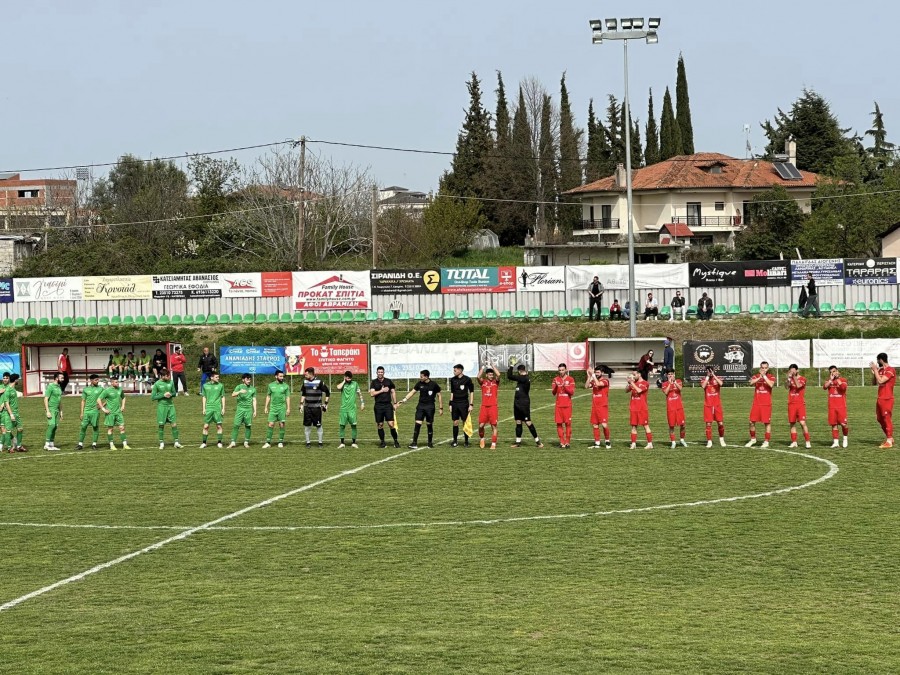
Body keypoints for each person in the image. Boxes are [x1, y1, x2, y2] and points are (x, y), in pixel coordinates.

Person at [398, 369, 442, 449]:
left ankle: (430, 443)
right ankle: (414, 443)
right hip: (421, 406)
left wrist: (441, 407)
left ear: (426, 377)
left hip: (430, 407)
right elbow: (412, 392)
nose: (420, 378)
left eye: (421, 376)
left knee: (429, 424)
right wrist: (404, 400)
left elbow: (439, 395)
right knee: (417, 424)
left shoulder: (434, 384)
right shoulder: (419, 384)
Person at [507, 360, 543, 448]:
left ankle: (538, 442)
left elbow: (509, 376)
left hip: (524, 404)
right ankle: (518, 442)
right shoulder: (522, 379)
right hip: (517, 404)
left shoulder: (524, 378)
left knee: (528, 422)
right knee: (518, 422)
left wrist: (512, 365)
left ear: (520, 371)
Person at [745, 361, 775, 448]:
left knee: (767, 423)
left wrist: (764, 376)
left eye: (766, 368)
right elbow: (751, 382)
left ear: (768, 368)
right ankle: (753, 439)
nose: (764, 369)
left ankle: (766, 441)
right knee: (751, 422)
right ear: (760, 368)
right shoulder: (756, 376)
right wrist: (760, 377)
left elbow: (771, 385)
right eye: (762, 368)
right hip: (756, 403)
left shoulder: (771, 377)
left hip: (766, 404)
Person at [151, 368, 183, 449]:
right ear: (162, 376)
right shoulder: (157, 384)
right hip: (162, 407)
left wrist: (171, 394)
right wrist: (163, 395)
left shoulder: (171, 382)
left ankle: (176, 442)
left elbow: (174, 393)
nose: (169, 377)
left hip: (171, 406)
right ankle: (161, 443)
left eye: (169, 375)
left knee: (174, 424)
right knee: (161, 425)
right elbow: (153, 397)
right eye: (167, 376)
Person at [369, 366, 399, 448]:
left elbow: (393, 392)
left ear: (383, 373)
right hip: (378, 406)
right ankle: (382, 442)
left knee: (391, 424)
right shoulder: (374, 382)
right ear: (376, 373)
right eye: (379, 372)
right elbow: (372, 394)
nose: (380, 373)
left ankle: (396, 441)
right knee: (380, 424)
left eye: (381, 372)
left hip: (387, 405)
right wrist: (381, 390)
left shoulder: (388, 381)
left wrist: (395, 403)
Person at [300, 367, 330, 448]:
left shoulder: (319, 382)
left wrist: (325, 404)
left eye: (306, 374)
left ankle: (320, 443)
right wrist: (301, 404)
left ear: (311, 374)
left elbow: (327, 393)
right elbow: (303, 394)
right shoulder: (305, 382)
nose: (305, 375)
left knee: (318, 425)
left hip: (316, 408)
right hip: (307, 408)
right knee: (307, 426)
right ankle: (308, 442)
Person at [97, 374, 129, 450]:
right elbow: (98, 399)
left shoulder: (120, 389)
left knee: (122, 428)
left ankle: (125, 445)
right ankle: (111, 445)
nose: (118, 383)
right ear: (112, 383)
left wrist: (123, 406)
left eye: (118, 382)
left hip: (118, 412)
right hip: (110, 413)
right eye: (116, 382)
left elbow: (123, 397)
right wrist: (103, 409)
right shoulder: (107, 391)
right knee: (110, 429)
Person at [871, 352, 895, 449]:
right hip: (880, 398)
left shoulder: (890, 370)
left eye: (878, 360)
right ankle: (890, 438)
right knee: (879, 419)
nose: (877, 362)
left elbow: (881, 381)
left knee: (886, 418)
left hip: (887, 398)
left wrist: (875, 370)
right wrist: (875, 372)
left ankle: (889, 440)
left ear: (881, 360)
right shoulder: (880, 370)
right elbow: (875, 382)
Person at [263, 370, 291, 448]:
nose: (282, 378)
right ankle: (268, 442)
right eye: (280, 376)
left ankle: (280, 442)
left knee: (281, 424)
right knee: (271, 424)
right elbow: (268, 396)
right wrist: (265, 407)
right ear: (276, 376)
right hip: (273, 408)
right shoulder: (270, 385)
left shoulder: (286, 386)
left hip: (282, 408)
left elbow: (287, 397)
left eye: (283, 376)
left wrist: (288, 408)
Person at [626, 366, 653, 449]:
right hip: (633, 407)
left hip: (642, 408)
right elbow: (626, 390)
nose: (633, 376)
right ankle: (633, 443)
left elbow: (639, 391)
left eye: (634, 375)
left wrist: (632, 383)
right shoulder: (634, 382)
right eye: (632, 375)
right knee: (633, 426)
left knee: (645, 425)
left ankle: (650, 444)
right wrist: (629, 383)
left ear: (639, 374)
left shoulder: (645, 383)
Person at [449, 364, 475, 447]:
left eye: (455, 370)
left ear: (460, 370)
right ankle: (455, 441)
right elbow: (452, 392)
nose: (454, 372)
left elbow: (471, 392)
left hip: (464, 403)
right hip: (455, 404)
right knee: (455, 422)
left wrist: (471, 404)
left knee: (465, 422)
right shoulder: (452, 380)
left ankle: (466, 441)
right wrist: (450, 403)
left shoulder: (467, 379)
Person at [336, 370, 364, 448]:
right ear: (345, 377)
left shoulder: (355, 384)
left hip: (352, 409)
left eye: (350, 378)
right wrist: (344, 381)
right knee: (342, 425)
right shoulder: (342, 384)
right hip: (343, 409)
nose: (349, 379)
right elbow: (338, 387)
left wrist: (362, 403)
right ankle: (342, 443)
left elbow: (359, 394)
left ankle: (354, 442)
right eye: (347, 378)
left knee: (354, 425)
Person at [75, 373, 103, 450]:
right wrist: (81, 412)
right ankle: (80, 444)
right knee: (83, 427)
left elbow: (108, 398)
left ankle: (94, 444)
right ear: (91, 380)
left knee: (95, 427)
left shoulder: (101, 389)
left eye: (98, 380)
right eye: (96, 380)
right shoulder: (86, 389)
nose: (97, 381)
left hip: (95, 412)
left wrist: (101, 405)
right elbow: (83, 401)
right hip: (86, 412)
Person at [586, 364, 611, 449]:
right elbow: (586, 386)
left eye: (598, 372)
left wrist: (593, 375)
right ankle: (597, 443)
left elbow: (598, 384)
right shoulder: (594, 380)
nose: (596, 373)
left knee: (604, 425)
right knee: (595, 425)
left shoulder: (605, 381)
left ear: (602, 373)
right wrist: (589, 376)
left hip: (602, 406)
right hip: (595, 406)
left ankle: (607, 441)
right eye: (595, 372)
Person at [228, 373, 257, 448]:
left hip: (248, 410)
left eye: (250, 379)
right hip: (240, 409)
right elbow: (233, 394)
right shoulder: (239, 387)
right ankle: (233, 442)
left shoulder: (253, 389)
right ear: (243, 380)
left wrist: (255, 410)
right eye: (247, 379)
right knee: (236, 425)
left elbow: (254, 400)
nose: (249, 380)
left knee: (248, 426)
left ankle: (246, 442)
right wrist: (239, 392)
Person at [786, 363, 811, 448]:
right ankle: (794, 442)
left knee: (802, 422)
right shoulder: (790, 378)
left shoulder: (803, 379)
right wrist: (789, 379)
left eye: (793, 370)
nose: (792, 372)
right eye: (790, 370)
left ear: (797, 370)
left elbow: (798, 385)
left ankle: (807, 441)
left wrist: (794, 377)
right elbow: (786, 387)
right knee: (792, 423)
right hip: (791, 403)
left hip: (800, 404)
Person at [701, 366, 727, 447]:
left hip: (717, 405)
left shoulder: (717, 378)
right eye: (708, 371)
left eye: (711, 371)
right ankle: (709, 441)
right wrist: (708, 376)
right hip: (708, 405)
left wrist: (714, 375)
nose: (710, 372)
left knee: (720, 423)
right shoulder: (704, 379)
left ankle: (721, 439)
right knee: (708, 424)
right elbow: (703, 386)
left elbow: (721, 384)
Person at [476, 363, 500, 449]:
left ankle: (493, 444)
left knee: (494, 426)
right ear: (486, 375)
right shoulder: (483, 382)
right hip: (484, 407)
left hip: (493, 407)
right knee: (481, 425)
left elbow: (499, 374)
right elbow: (478, 377)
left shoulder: (495, 382)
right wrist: (482, 367)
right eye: (489, 374)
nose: (491, 376)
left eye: (492, 374)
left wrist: (492, 366)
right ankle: (482, 438)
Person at [824, 365, 849, 448]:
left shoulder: (843, 380)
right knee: (834, 424)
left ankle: (845, 438)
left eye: (834, 371)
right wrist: (830, 380)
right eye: (831, 372)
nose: (833, 373)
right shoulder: (829, 380)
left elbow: (843, 388)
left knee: (843, 424)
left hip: (841, 406)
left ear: (837, 371)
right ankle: (836, 442)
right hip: (832, 406)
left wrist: (837, 379)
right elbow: (824, 387)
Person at [662, 369, 687, 449]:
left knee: (682, 425)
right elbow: (666, 392)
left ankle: (682, 439)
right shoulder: (665, 383)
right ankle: (673, 442)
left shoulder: (678, 381)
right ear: (667, 375)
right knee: (671, 426)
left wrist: (674, 382)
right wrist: (670, 383)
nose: (670, 375)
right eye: (669, 374)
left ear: (674, 374)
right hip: (670, 407)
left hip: (679, 407)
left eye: (671, 374)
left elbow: (680, 389)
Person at [552, 363, 575, 448]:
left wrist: (564, 386)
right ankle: (562, 442)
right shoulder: (555, 379)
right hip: (558, 406)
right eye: (560, 370)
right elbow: (553, 393)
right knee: (559, 424)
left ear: (566, 370)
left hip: (567, 405)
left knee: (568, 424)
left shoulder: (571, 379)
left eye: (562, 370)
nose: (561, 372)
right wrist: (556, 387)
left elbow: (572, 392)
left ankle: (567, 442)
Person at [199, 372, 225, 448]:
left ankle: (219, 442)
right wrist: (204, 408)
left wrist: (223, 408)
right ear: (211, 377)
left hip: (217, 408)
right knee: (206, 426)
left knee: (219, 426)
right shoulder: (205, 386)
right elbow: (204, 397)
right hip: (209, 408)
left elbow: (223, 396)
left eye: (218, 377)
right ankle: (204, 443)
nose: (218, 378)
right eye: (216, 377)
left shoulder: (221, 385)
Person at [1, 374, 24, 453]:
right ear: (16, 380)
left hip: (16, 413)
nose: (19, 380)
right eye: (18, 379)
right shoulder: (8, 390)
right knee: (8, 430)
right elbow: (6, 403)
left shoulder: (13, 389)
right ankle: (9, 448)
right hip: (9, 414)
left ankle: (19, 446)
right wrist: (11, 414)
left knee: (20, 429)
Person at [43, 372, 64, 451]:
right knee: (52, 425)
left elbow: (60, 400)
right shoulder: (50, 387)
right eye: (61, 378)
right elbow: (45, 399)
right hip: (51, 409)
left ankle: (51, 444)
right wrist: (47, 411)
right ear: (56, 378)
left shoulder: (59, 387)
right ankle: (47, 444)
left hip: (56, 410)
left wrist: (61, 411)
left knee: (55, 426)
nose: (63, 379)